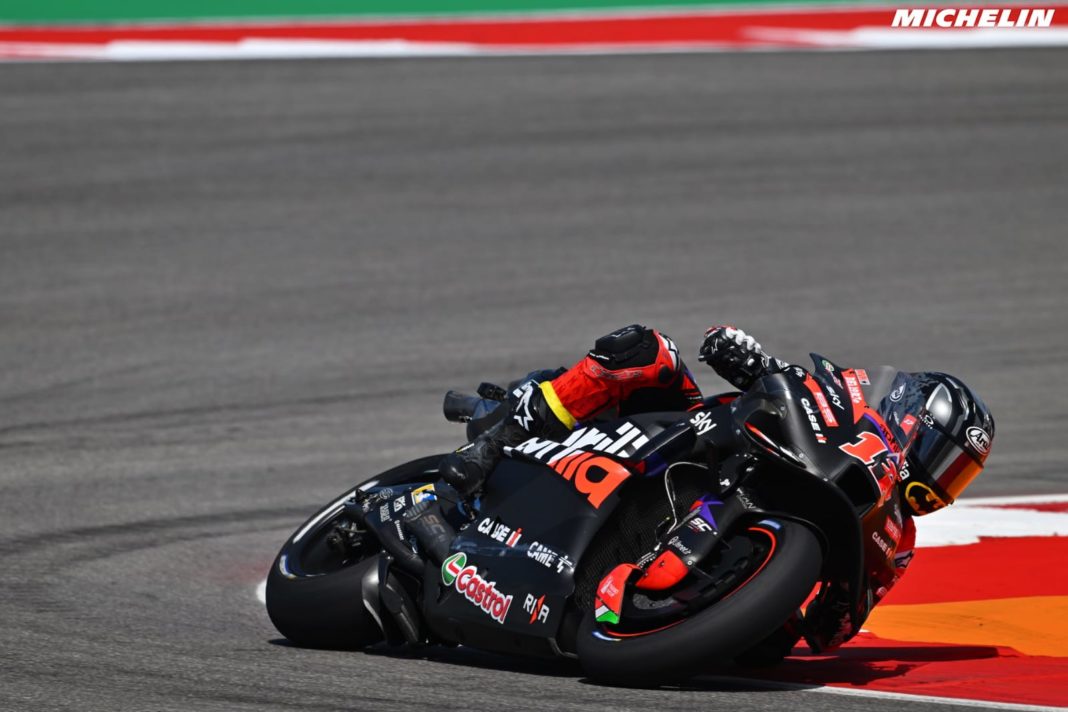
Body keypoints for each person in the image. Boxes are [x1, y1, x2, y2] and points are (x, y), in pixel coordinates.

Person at [439, 324, 996, 653]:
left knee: (769, 649)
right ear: (911, 417)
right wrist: (749, 358)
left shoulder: (897, 540)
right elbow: (771, 375)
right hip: (685, 439)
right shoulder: (844, 399)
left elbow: (833, 633)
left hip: (711, 593)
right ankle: (497, 441)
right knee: (647, 349)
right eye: (942, 458)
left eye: (955, 475)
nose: (939, 479)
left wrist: (837, 602)